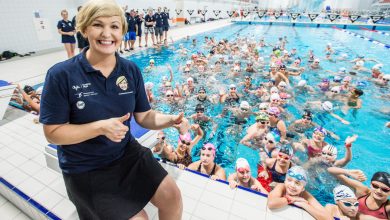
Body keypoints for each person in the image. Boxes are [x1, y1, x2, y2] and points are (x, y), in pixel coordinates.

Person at [40, 1, 183, 219]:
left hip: (126, 153)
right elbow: (53, 132)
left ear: (122, 32)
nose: (107, 33)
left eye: (115, 26)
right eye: (98, 25)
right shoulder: (61, 75)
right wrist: (99, 127)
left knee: (172, 195)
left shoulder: (130, 69)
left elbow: (144, 116)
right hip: (85, 166)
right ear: (85, 29)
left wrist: (171, 119)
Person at [267, 166, 332, 220]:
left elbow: (329, 218)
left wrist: (304, 205)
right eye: (289, 180)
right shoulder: (281, 187)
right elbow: (271, 203)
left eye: (297, 183)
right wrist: (292, 199)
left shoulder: (305, 195)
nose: (292, 185)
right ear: (285, 181)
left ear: (303, 188)